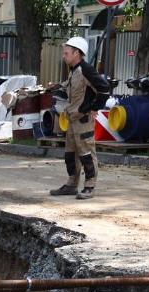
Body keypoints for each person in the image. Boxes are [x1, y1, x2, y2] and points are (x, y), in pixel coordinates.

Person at [49, 37, 110, 200]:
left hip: (83, 119)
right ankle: (71, 185)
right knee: (70, 154)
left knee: (86, 153)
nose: (64, 56)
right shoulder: (74, 70)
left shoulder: (86, 69)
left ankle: (89, 186)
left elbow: (104, 89)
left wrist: (95, 108)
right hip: (72, 119)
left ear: (77, 53)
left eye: (66, 53)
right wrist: (56, 87)